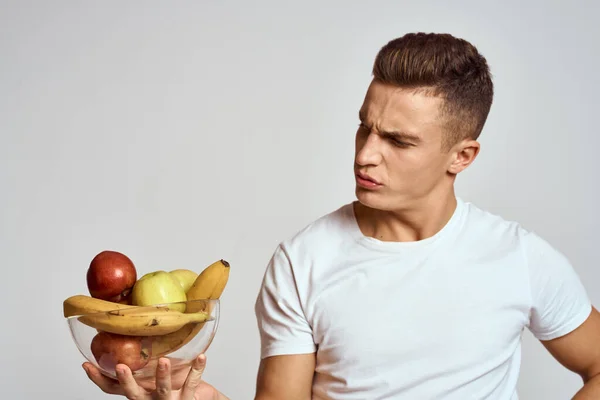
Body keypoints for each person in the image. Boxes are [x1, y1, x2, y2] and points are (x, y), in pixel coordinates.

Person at [83, 32, 600, 399]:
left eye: (398, 140)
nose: (366, 155)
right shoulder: (302, 260)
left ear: (461, 156)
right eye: (364, 128)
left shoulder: (520, 258)